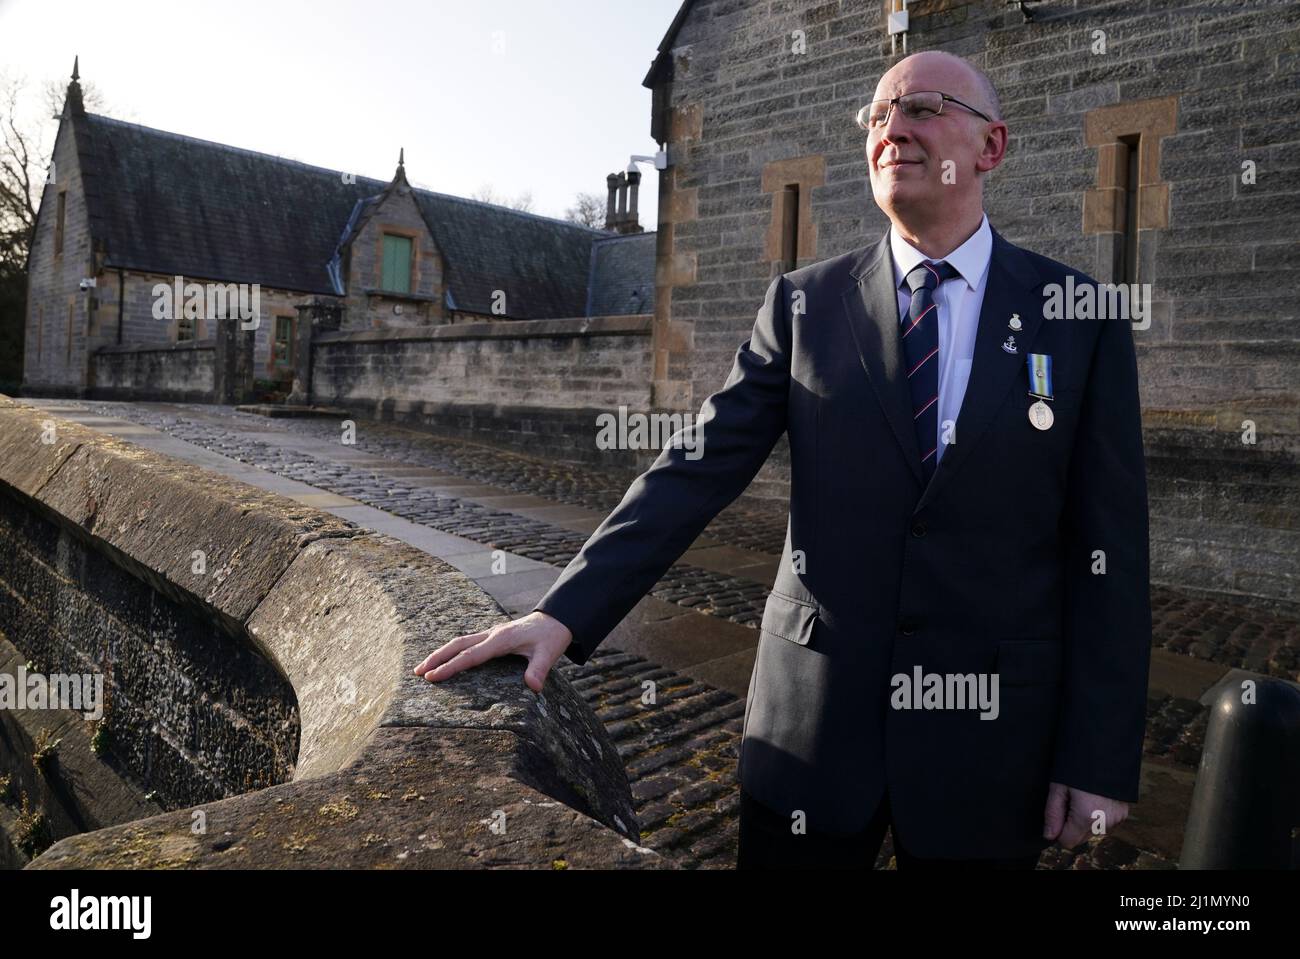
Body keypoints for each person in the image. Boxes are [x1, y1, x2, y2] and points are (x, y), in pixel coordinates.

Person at [414, 50, 1151, 870]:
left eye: (924, 108)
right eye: (878, 116)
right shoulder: (804, 304)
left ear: (992, 147)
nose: (893, 129)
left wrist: (1098, 757)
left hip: (989, 747)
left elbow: (1110, 556)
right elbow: (695, 467)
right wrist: (563, 611)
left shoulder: (1080, 318)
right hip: (811, 732)